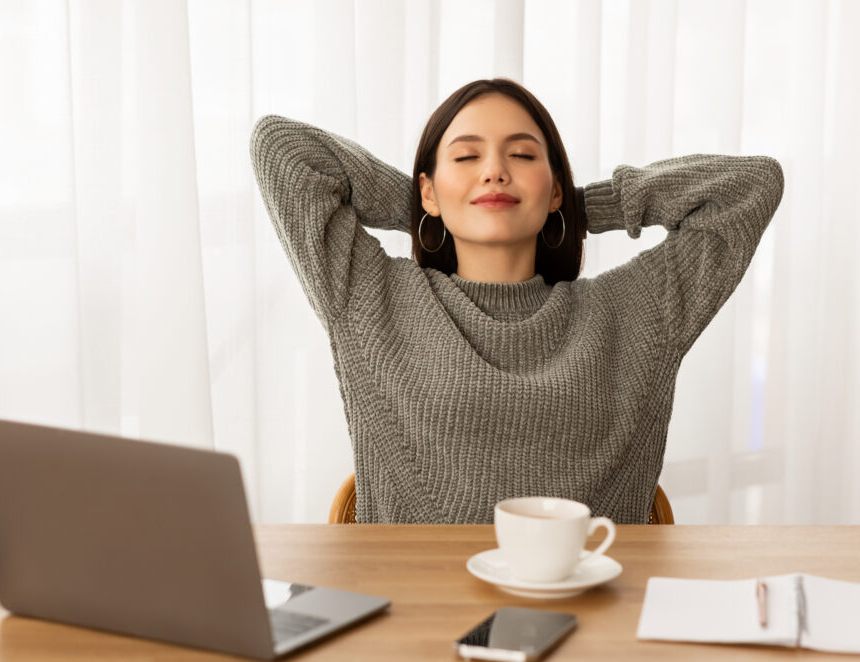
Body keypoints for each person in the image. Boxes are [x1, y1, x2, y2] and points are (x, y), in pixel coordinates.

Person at [249, 77, 784, 524]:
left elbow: (749, 186)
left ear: (554, 187)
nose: (494, 170)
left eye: (522, 155)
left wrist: (577, 207)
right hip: (414, 623)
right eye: (466, 156)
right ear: (428, 190)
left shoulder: (635, 311)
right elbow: (281, 147)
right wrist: (426, 204)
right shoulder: (370, 298)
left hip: (595, 624)